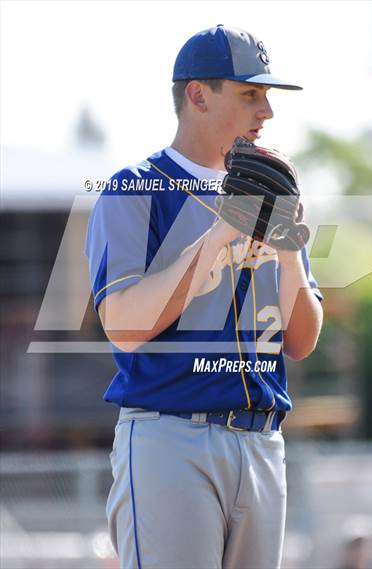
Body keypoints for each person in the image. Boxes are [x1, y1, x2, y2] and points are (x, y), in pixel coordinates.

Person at [85, 24, 323, 569]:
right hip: (172, 438)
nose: (267, 112)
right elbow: (123, 323)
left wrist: (288, 251)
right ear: (197, 95)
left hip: (263, 443)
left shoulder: (270, 188)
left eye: (265, 96)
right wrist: (219, 237)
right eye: (249, 94)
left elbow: (302, 341)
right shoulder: (135, 189)